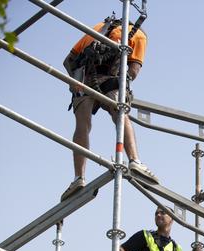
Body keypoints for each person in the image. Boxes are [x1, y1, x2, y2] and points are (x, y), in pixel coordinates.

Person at [60, 15, 158, 201]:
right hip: (111, 80)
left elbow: (68, 60)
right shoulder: (138, 35)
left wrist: (74, 82)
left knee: (83, 125)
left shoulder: (97, 27)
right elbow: (133, 72)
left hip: (83, 80)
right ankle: (135, 161)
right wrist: (122, 81)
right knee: (120, 115)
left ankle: (78, 178)